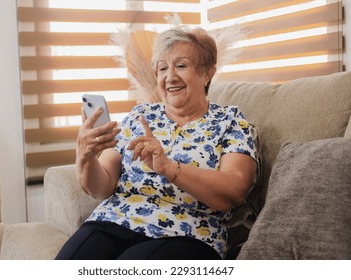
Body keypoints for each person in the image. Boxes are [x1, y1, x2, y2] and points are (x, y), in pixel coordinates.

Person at [56, 26, 258, 260]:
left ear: (207, 73)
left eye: (181, 66)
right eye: (163, 68)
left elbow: (233, 191)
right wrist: (86, 156)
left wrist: (168, 167)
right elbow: (101, 187)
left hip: (187, 234)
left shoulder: (229, 121)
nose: (170, 77)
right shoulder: (139, 116)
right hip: (114, 221)